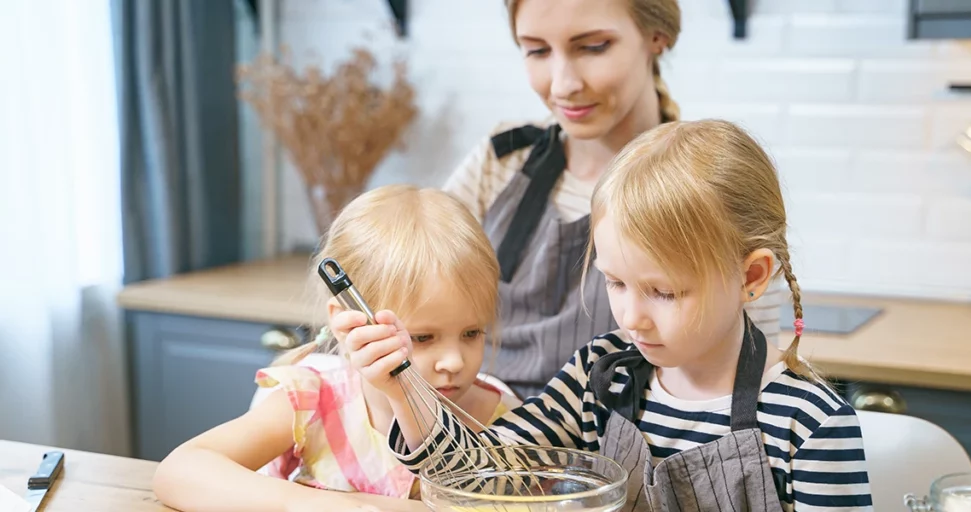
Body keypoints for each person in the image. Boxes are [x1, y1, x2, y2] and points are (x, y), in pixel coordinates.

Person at [349, 121, 873, 511]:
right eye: (615, 282)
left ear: (752, 277)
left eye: (662, 293)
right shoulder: (600, 375)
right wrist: (402, 388)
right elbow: (480, 479)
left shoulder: (807, 424)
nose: (632, 317)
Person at [444, 0, 785, 399]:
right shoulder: (501, 158)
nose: (562, 85)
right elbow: (410, 283)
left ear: (657, 37)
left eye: (592, 47)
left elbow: (744, 381)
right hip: (481, 433)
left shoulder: (708, 188)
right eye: (537, 50)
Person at [151, 185, 521, 512]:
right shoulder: (313, 401)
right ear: (347, 324)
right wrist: (305, 502)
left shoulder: (503, 418)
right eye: (422, 338)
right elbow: (179, 470)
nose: (454, 361)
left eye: (472, 333)